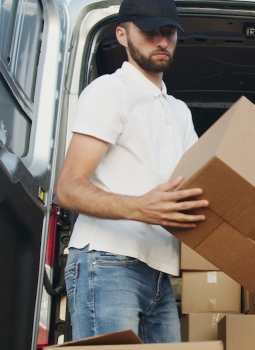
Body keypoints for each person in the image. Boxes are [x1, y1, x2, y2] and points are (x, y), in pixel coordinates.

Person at [56, 0, 207, 342]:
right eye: (150, 31)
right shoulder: (111, 91)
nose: (161, 40)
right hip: (107, 262)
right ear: (122, 35)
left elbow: (201, 183)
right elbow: (67, 188)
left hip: (160, 273)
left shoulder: (179, 111)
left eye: (168, 32)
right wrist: (140, 207)